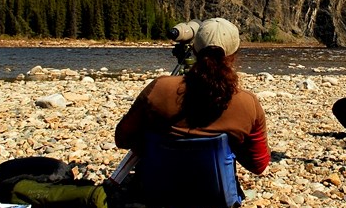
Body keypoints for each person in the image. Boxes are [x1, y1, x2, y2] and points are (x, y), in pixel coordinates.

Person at [115, 17, 271, 176]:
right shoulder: (247, 103)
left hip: (156, 192)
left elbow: (122, 139)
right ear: (234, 54)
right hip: (216, 195)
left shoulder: (160, 88)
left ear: (195, 50)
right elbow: (258, 166)